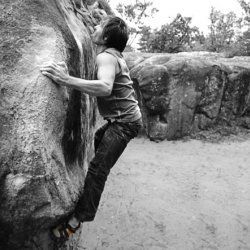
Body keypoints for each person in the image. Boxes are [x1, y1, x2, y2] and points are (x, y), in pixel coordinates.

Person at [40, 16, 142, 240]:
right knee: (99, 139)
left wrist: (65, 79)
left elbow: (104, 87)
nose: (94, 26)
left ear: (105, 36)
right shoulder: (112, 57)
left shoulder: (106, 57)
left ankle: (76, 221)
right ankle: (92, 185)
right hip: (126, 120)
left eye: (99, 26)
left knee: (97, 170)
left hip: (125, 124)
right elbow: (97, 80)